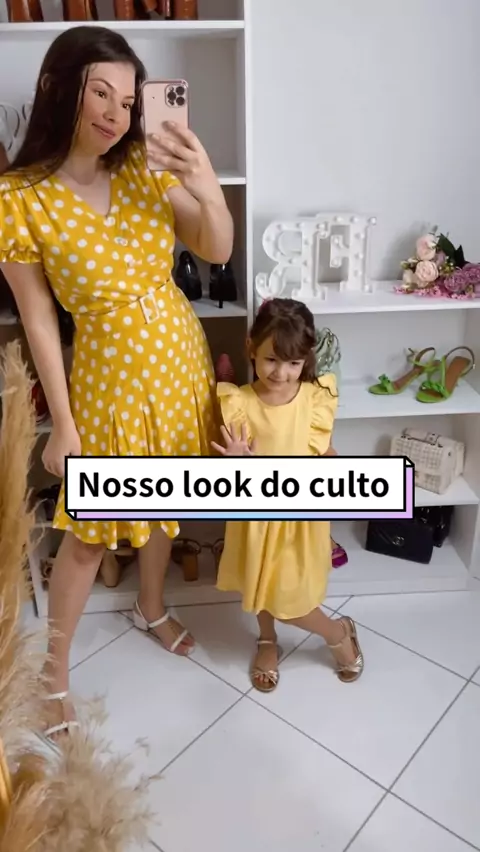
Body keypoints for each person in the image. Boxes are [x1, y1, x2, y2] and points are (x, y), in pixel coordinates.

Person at [0, 25, 233, 739]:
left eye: (128, 101)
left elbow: (215, 246)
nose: (115, 113)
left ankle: (150, 606)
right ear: (56, 86)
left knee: (166, 500)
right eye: (100, 92)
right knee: (89, 536)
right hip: (107, 381)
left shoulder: (142, 165)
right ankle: (52, 675)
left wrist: (206, 185)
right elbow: (39, 319)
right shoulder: (18, 196)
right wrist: (63, 426)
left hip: (180, 363)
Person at [212, 298, 364, 692]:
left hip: (297, 518)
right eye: (271, 360)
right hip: (257, 516)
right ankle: (267, 639)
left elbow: (326, 453)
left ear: (306, 360)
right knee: (259, 582)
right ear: (251, 348)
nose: (281, 373)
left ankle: (336, 632)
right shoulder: (239, 403)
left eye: (294, 363)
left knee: (289, 597)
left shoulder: (314, 400)